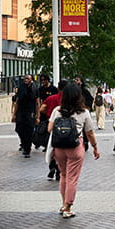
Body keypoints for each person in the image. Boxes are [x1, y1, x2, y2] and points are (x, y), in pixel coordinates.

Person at [47, 83, 100, 218]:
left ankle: (63, 204)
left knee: (63, 175)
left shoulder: (57, 111)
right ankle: (68, 207)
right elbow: (90, 133)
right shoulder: (84, 112)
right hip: (75, 147)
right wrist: (95, 147)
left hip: (59, 147)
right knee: (72, 178)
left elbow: (49, 129)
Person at [41, 80, 67, 180]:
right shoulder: (68, 100)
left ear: (58, 88)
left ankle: (52, 167)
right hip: (65, 127)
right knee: (62, 150)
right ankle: (59, 170)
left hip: (52, 124)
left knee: (52, 148)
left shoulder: (51, 98)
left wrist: (48, 111)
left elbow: (42, 109)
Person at [11, 75, 39, 158]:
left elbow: (37, 102)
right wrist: (14, 114)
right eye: (25, 78)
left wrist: (38, 116)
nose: (25, 80)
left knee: (29, 131)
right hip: (21, 112)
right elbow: (17, 101)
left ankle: (27, 149)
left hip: (30, 112)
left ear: (31, 80)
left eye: (27, 78)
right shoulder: (21, 88)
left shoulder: (35, 89)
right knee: (19, 129)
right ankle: (23, 143)